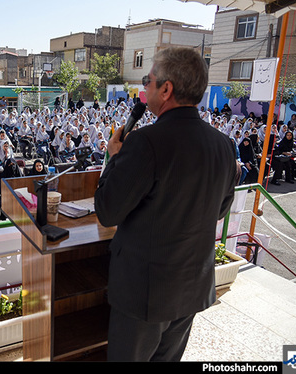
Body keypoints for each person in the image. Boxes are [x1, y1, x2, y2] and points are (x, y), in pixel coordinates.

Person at [94, 47, 237, 362]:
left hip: (145, 294)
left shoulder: (146, 142)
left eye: (148, 80)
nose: (145, 88)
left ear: (166, 89)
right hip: (191, 288)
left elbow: (107, 211)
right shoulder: (224, 145)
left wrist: (114, 159)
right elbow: (220, 209)